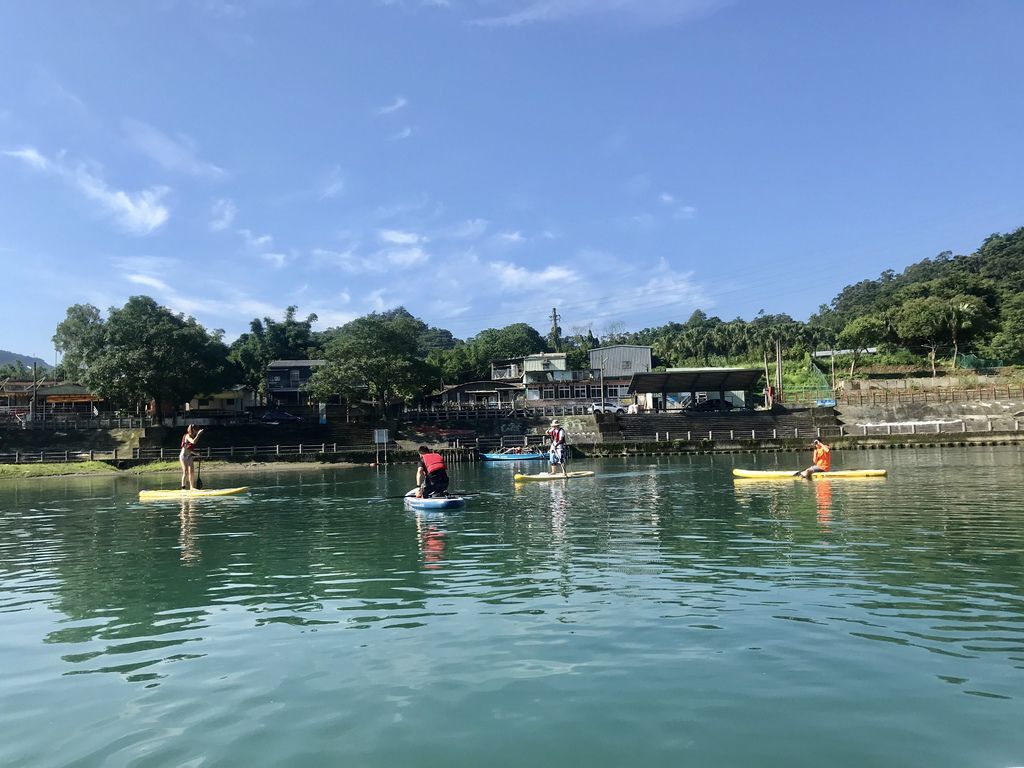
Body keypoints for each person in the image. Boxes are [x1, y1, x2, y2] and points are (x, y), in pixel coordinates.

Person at [179, 424, 204, 490]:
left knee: (192, 472)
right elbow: (193, 442)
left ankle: (192, 487)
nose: (197, 431)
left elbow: (189, 450)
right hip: (183, 456)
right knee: (185, 472)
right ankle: (183, 488)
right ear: (193, 430)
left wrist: (197, 454)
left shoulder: (193, 436)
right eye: (196, 430)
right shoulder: (187, 436)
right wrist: (199, 435)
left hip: (189, 456)